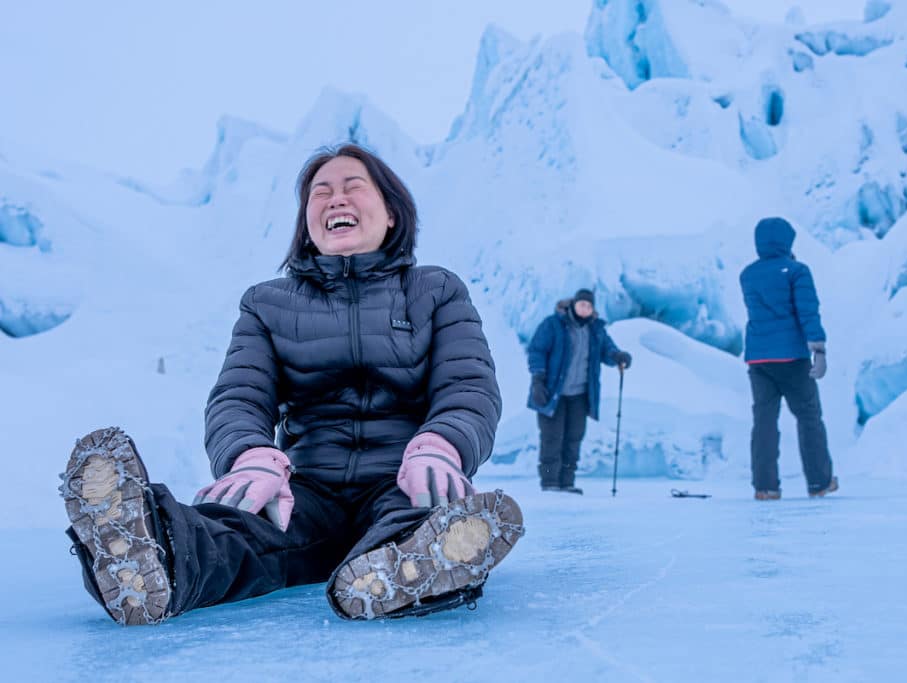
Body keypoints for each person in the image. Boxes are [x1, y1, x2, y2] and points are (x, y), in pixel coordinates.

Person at [59, 144, 523, 626]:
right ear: (307, 223)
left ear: (391, 213)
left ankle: (421, 559)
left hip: (404, 475)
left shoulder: (436, 291)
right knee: (242, 532)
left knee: (415, 518)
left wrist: (441, 447)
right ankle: (148, 551)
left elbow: (468, 385)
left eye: (352, 187)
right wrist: (252, 458)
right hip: (307, 489)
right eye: (320, 193)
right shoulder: (266, 304)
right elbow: (240, 395)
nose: (335, 199)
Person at [739, 217, 838, 500]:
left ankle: (765, 486)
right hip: (793, 358)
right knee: (809, 418)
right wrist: (818, 349)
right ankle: (819, 481)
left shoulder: (747, 274)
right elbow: (808, 311)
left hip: (758, 360)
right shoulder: (797, 271)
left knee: (764, 422)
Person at [526, 289, 632, 495]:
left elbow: (608, 351)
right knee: (551, 439)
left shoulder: (596, 330)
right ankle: (549, 483)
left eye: (589, 306)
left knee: (573, 439)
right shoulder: (553, 324)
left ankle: (567, 483)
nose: (584, 309)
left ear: (592, 309)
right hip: (551, 394)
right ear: (573, 305)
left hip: (580, 396)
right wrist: (538, 380)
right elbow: (536, 351)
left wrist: (619, 356)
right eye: (581, 304)